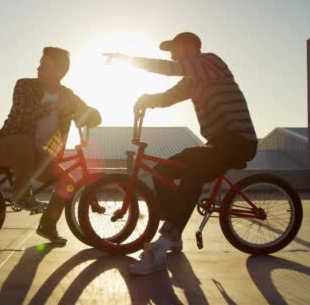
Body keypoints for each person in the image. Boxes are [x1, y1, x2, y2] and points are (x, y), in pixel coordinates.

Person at [105, 32, 257, 274]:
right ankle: (174, 231)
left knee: (193, 175)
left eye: (174, 50)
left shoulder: (210, 63)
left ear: (189, 46)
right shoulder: (191, 81)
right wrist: (146, 100)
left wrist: (128, 59)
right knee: (162, 170)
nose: (172, 56)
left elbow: (169, 68)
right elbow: (167, 98)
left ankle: (164, 243)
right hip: (217, 143)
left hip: (238, 140)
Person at [0, 47, 101, 245]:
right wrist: (52, 107)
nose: (38, 68)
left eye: (44, 65)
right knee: (26, 142)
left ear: (59, 72)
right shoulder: (25, 85)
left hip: (38, 159)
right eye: (39, 64)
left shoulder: (68, 96)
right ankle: (21, 192)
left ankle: (47, 226)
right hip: (6, 146)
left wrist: (85, 116)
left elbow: (95, 117)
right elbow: (21, 113)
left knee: (66, 183)